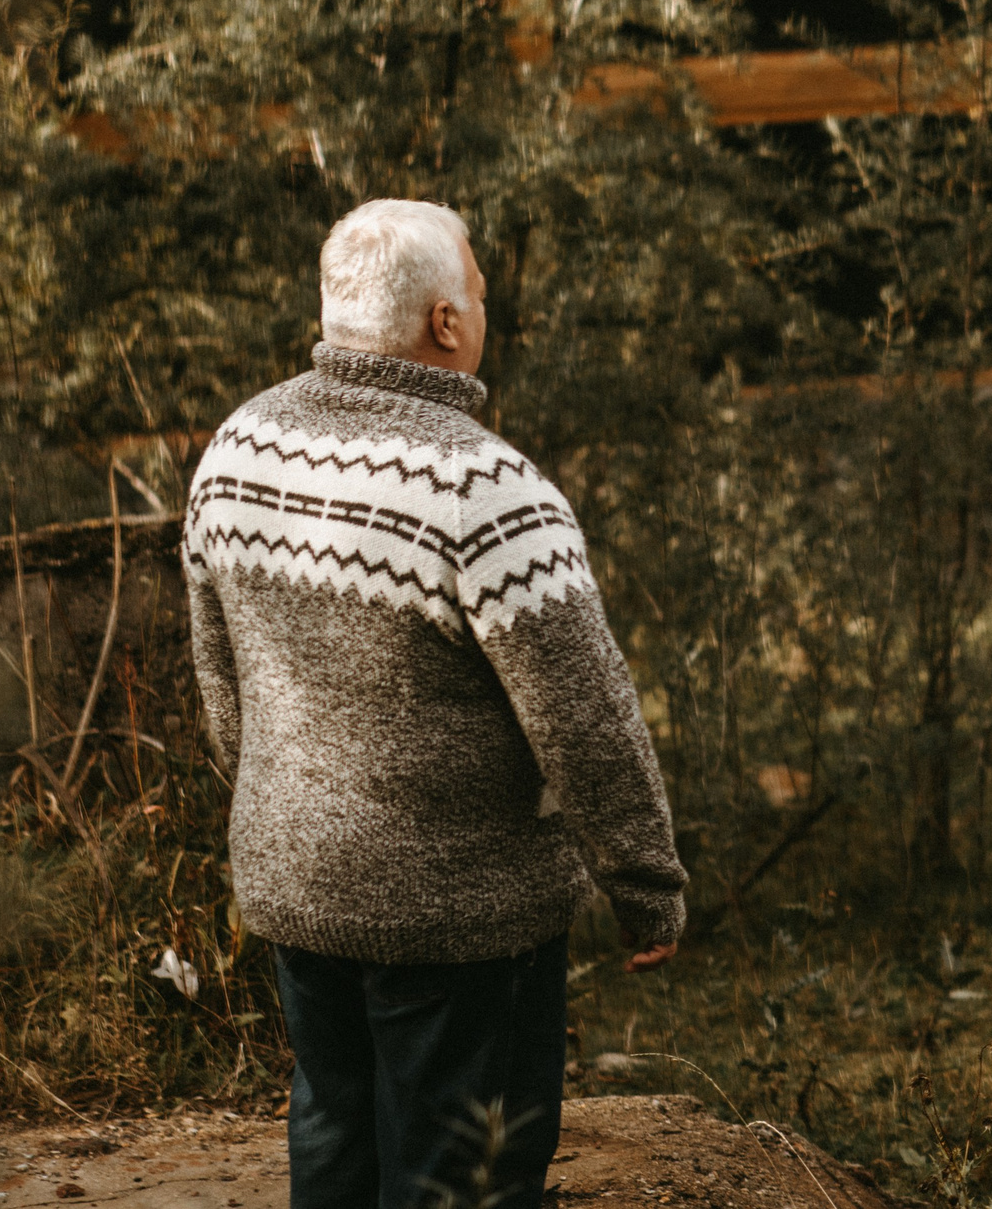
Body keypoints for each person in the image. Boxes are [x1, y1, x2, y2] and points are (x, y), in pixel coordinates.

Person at [183, 199, 687, 1209]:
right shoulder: (486, 488)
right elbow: (585, 719)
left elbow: (219, 680)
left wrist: (280, 808)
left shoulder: (237, 447)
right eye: (482, 291)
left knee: (333, 1130)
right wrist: (645, 880)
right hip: (460, 910)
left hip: (295, 877)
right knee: (461, 1171)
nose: (486, 308)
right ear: (445, 322)